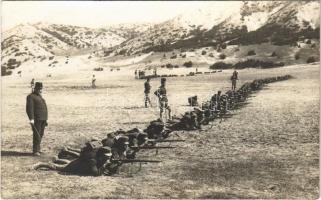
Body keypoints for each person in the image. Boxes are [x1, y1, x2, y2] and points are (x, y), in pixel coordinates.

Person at [26, 82, 48, 156]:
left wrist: (46, 119)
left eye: (41, 89)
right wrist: (31, 118)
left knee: (41, 134)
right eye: (38, 89)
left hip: (43, 119)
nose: (40, 90)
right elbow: (29, 108)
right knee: (37, 134)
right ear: (35, 88)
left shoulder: (40, 96)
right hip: (37, 119)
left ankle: (38, 149)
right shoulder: (30, 96)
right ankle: (35, 150)